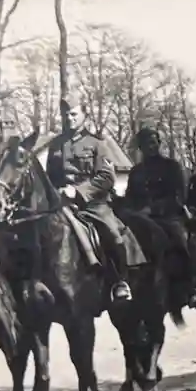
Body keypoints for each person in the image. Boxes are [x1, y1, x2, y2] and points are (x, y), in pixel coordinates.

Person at [45, 95, 132, 302]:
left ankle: (120, 281)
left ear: (84, 115)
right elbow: (49, 178)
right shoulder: (55, 145)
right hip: (61, 203)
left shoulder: (97, 144)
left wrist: (78, 191)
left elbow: (107, 177)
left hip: (92, 204)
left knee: (112, 233)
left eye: (74, 114)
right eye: (66, 115)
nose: (69, 118)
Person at [123, 125, 196, 308]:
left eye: (152, 143)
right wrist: (126, 208)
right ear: (140, 148)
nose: (149, 147)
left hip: (168, 217)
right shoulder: (136, 172)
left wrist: (152, 210)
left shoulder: (172, 167)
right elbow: (130, 197)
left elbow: (178, 197)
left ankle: (192, 288)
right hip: (140, 219)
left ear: (159, 143)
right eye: (144, 144)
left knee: (180, 240)